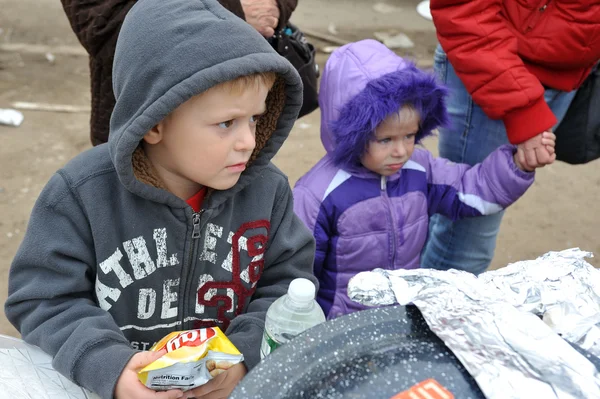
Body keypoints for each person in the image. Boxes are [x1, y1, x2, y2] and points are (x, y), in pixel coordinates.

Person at [5, 0, 316, 398]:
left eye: (255, 118)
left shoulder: (267, 192)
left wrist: (242, 359)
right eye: (226, 123)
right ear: (155, 122)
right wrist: (111, 369)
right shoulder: (81, 193)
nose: (249, 141)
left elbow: (288, 288)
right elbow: (43, 298)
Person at [292, 40, 555, 319]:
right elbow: (299, 273)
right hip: (339, 325)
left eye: (409, 135)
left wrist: (516, 165)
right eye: (386, 139)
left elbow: (468, 189)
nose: (401, 150)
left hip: (404, 315)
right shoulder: (317, 193)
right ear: (352, 133)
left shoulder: (418, 168)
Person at [421, 0, 600, 275]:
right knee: (466, 237)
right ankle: (427, 314)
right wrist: (523, 111)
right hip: (493, 69)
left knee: (451, 210)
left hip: (564, 75)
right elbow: (462, 10)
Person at [61, 0, 298, 146]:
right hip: (147, 134)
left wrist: (274, 6)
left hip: (249, 90)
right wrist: (233, 9)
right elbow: (100, 23)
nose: (249, 143)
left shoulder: (255, 159)